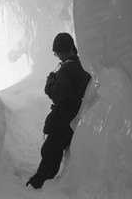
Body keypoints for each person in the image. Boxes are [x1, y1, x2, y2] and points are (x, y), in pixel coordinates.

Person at [26, 32, 92, 190]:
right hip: (77, 118)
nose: (57, 56)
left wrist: (50, 85)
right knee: (54, 151)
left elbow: (58, 96)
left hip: (62, 118)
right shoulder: (84, 67)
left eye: (56, 53)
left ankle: (38, 185)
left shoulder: (65, 70)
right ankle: (47, 181)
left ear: (62, 51)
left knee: (49, 151)